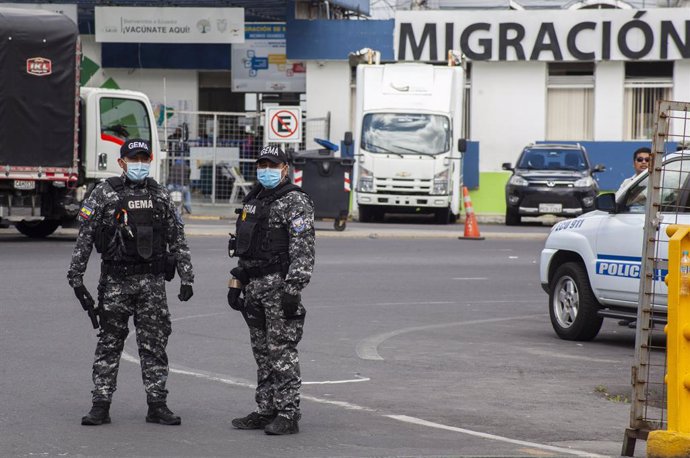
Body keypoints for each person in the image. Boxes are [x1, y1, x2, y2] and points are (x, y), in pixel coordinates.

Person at [67, 139, 194, 426]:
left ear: (149, 161)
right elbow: (85, 238)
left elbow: (177, 238)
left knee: (154, 344)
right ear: (122, 162)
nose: (139, 164)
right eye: (133, 159)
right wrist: (76, 278)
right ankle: (100, 404)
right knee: (110, 343)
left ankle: (157, 404)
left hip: (151, 284)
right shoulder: (104, 193)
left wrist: (187, 276)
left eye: (143, 158)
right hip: (115, 283)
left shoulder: (160, 195)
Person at [227, 145, 315, 435]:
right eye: (262, 164)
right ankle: (266, 409)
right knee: (262, 353)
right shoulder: (254, 199)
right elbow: (245, 245)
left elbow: (303, 250)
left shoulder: (295, 201)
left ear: (285, 168)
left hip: (279, 287)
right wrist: (237, 281)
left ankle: (289, 414)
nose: (266, 169)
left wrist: (294, 287)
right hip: (254, 287)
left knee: (282, 352)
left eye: (272, 165)